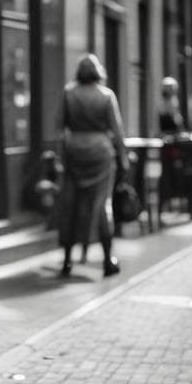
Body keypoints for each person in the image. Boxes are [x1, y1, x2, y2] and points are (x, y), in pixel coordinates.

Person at [56, 53, 129, 277]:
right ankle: (108, 260)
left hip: (75, 152)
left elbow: (59, 128)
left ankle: (67, 261)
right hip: (101, 153)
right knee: (103, 205)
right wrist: (124, 158)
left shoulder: (69, 92)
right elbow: (117, 132)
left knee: (70, 206)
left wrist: (61, 158)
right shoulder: (106, 95)